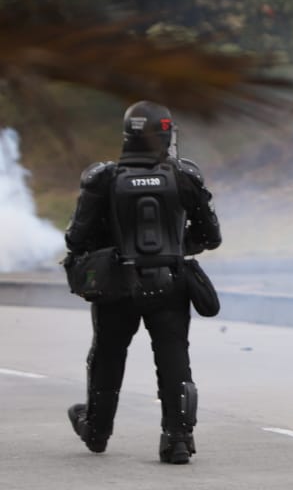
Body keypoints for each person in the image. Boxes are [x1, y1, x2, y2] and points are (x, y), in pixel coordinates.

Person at [64, 101, 222, 464]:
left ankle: (97, 431)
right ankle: (178, 439)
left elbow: (76, 239)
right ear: (166, 133)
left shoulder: (102, 178)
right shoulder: (185, 175)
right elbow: (211, 236)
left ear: (127, 134)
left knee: (106, 355)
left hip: (117, 286)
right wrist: (177, 245)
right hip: (171, 282)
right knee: (173, 357)